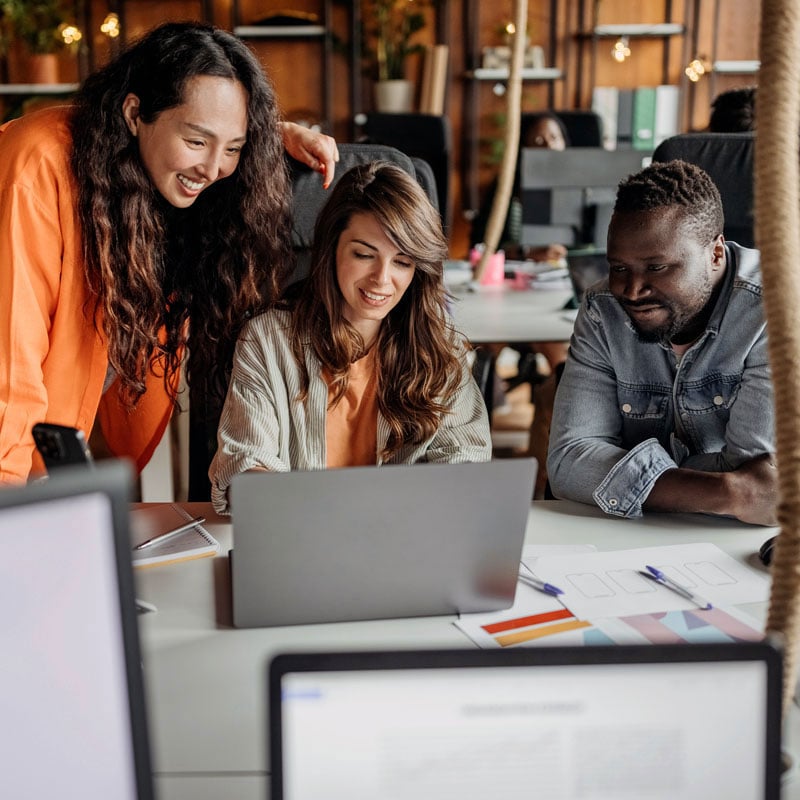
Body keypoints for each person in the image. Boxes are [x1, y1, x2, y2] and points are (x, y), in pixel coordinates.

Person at [0, 21, 339, 484]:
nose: (214, 168)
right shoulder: (34, 168)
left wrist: (267, 138)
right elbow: (8, 366)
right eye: (198, 141)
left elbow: (201, 129)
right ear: (134, 112)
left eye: (233, 147)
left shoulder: (152, 165)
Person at [209, 161, 492, 513]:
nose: (382, 280)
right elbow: (246, 463)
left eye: (402, 262)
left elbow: (466, 460)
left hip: (404, 543)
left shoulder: (440, 349)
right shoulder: (268, 341)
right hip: (300, 539)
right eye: (363, 255)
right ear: (331, 249)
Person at [547, 159, 777, 525]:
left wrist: (617, 471)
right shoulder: (601, 309)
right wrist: (730, 492)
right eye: (619, 267)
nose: (632, 290)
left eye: (657, 267)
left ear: (715, 253)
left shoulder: (776, 308)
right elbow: (568, 461)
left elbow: (761, 476)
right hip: (629, 536)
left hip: (727, 542)